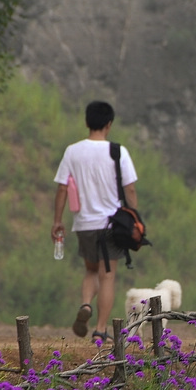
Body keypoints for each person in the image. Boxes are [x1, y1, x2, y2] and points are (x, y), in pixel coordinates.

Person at [52, 101, 139, 343]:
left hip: (83, 224)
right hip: (111, 225)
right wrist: (135, 216)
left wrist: (57, 221)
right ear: (109, 124)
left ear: (86, 122)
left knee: (90, 270)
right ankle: (100, 329)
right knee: (107, 276)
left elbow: (61, 189)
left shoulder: (72, 151)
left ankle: (86, 304)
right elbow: (129, 189)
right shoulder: (117, 152)